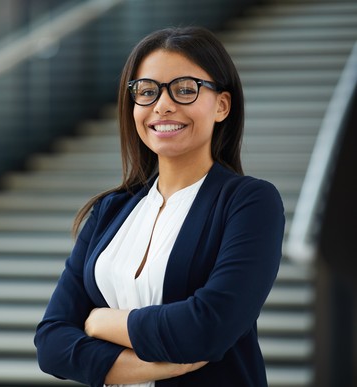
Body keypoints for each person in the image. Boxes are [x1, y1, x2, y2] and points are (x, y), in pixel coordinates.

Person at [34, 26, 285, 387]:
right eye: (147, 92)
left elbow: (207, 328)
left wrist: (100, 322)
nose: (162, 105)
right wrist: (159, 366)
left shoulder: (250, 203)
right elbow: (51, 343)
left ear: (222, 105)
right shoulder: (111, 210)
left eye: (185, 89)